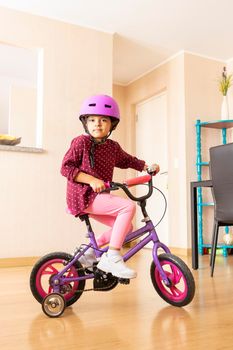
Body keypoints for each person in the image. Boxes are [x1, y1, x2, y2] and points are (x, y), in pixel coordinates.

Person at [61, 94, 159, 279]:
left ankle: (89, 251)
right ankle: (112, 257)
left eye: (103, 120)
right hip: (83, 195)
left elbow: (127, 160)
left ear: (111, 124)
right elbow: (66, 167)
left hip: (98, 197)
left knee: (126, 227)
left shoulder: (112, 147)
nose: (97, 123)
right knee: (128, 206)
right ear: (85, 123)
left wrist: (147, 167)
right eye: (92, 119)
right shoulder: (81, 142)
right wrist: (91, 180)